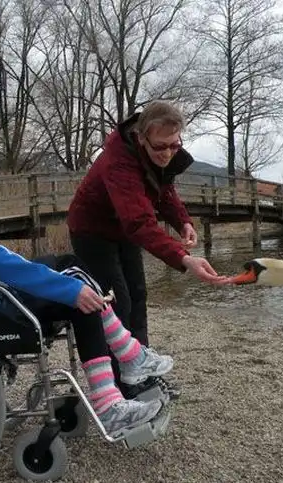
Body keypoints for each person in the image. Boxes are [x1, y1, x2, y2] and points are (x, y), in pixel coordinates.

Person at [0, 128, 173, 435]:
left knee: (73, 269)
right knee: (77, 288)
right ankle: (121, 376)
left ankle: (123, 373)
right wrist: (66, 288)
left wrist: (67, 287)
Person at [66, 100, 222, 400]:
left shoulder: (159, 155)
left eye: (174, 145)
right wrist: (183, 258)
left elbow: (165, 190)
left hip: (123, 230)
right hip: (92, 232)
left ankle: (142, 372)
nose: (167, 154)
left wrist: (183, 222)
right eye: (160, 147)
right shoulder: (118, 162)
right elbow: (139, 222)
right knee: (117, 305)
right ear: (141, 137)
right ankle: (121, 385)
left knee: (138, 296)